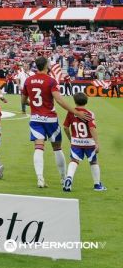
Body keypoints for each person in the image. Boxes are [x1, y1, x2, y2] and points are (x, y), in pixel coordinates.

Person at [24, 56, 89, 189]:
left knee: (38, 148)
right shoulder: (51, 80)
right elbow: (59, 100)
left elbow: (24, 100)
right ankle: (63, 177)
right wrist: (76, 112)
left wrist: (30, 106)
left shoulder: (28, 80)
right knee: (57, 148)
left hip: (36, 119)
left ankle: (40, 178)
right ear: (47, 65)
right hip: (50, 119)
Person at [62, 93, 105, 192]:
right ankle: (97, 185)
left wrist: (70, 138)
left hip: (76, 142)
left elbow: (65, 127)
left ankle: (69, 178)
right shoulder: (89, 113)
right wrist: (97, 143)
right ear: (86, 101)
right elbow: (92, 128)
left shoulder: (71, 112)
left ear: (75, 101)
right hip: (89, 143)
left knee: (74, 161)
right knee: (93, 161)